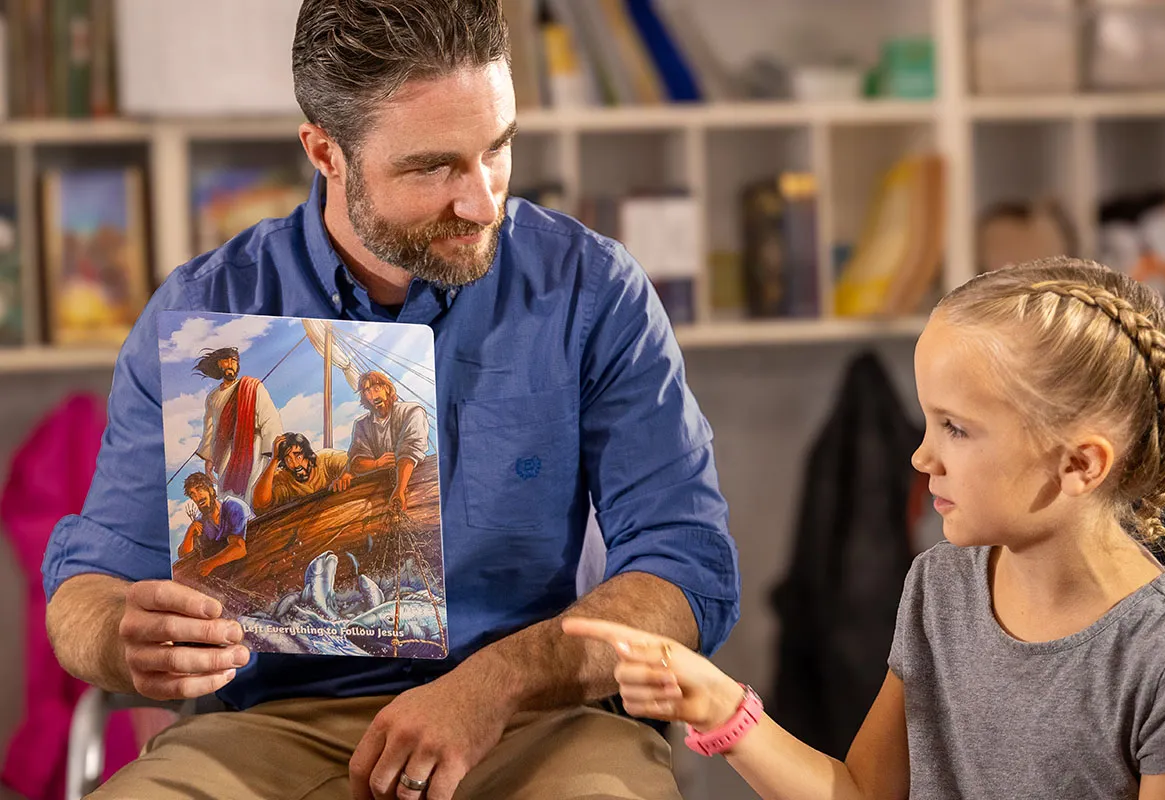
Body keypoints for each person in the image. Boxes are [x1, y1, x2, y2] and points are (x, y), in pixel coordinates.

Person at [41, 2, 739, 799]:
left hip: (539, 722)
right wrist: (122, 639)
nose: (482, 201)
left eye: (498, 149)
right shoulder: (202, 315)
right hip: (270, 730)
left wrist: (498, 683)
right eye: (433, 167)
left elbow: (689, 572)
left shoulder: (592, 292)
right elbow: (89, 585)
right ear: (324, 151)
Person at [566, 258, 1165, 799]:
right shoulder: (941, 588)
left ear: (1079, 464)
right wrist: (719, 703)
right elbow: (861, 793)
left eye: (957, 429)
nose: (920, 455)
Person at [193, 346, 284, 502]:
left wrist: (274, 452)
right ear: (218, 365)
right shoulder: (213, 397)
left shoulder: (252, 386)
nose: (230, 364)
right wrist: (209, 458)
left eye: (234, 361)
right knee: (227, 495)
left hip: (253, 446)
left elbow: (269, 417)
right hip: (226, 452)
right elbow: (210, 429)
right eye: (226, 360)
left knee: (252, 489)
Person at [342, 370, 431, 511]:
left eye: (377, 389)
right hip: (377, 493)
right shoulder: (362, 424)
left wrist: (400, 489)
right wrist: (376, 464)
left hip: (416, 484)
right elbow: (357, 461)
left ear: (387, 389)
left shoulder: (412, 411)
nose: (374, 396)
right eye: (368, 392)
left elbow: (409, 452)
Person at [250, 432, 351, 514]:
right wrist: (274, 460)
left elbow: (354, 464)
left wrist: (346, 475)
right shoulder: (284, 477)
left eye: (298, 457)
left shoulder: (326, 459)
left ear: (307, 454)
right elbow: (259, 505)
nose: (295, 464)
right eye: (288, 460)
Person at [178, 472, 251, 578]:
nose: (197, 497)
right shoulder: (202, 521)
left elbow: (239, 548)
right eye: (192, 494)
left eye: (199, 489)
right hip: (235, 573)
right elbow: (184, 556)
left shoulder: (233, 506)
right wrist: (190, 531)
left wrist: (210, 564)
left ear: (211, 490)